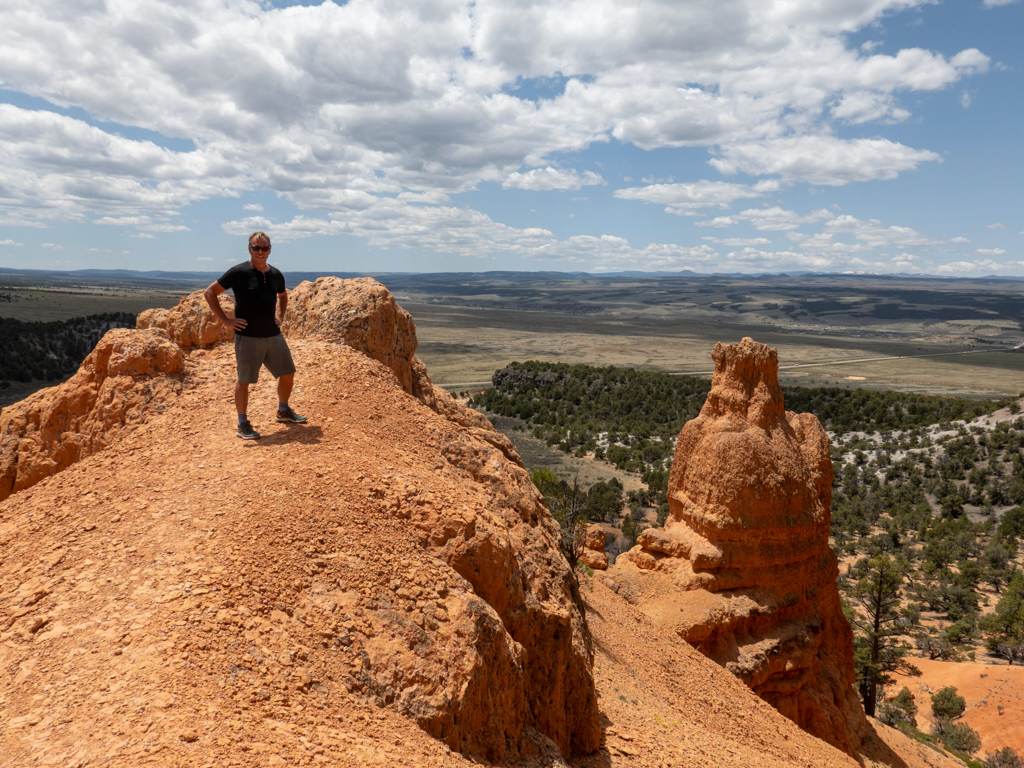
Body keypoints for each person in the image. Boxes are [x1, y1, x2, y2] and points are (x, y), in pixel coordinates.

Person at [203, 231, 307, 439]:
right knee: (244, 381)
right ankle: (243, 424)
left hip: (273, 334)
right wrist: (225, 320)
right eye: (256, 248)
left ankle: (283, 411)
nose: (260, 252)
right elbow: (210, 292)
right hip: (248, 336)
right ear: (249, 249)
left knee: (288, 373)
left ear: (270, 250)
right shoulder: (239, 272)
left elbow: (283, 295)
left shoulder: (276, 274)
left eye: (264, 248)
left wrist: (281, 315)